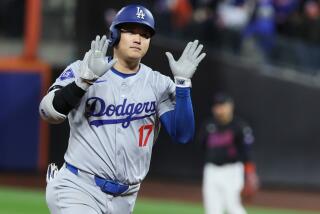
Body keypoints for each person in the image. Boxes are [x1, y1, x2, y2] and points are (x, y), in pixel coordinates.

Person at [39, 4, 206, 214]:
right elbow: (48, 112)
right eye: (131, 31)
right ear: (115, 34)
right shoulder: (84, 68)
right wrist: (83, 82)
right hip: (79, 187)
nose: (138, 38)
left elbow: (182, 134)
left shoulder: (157, 83)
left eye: (145, 34)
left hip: (125, 198)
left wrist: (182, 85)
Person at [198, 92, 259, 214]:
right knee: (212, 210)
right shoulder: (208, 126)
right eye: (216, 106)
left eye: (222, 105)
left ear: (230, 106)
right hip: (211, 170)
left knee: (233, 207)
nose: (219, 109)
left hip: (232, 171)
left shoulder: (240, 126)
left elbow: (247, 152)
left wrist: (250, 173)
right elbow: (202, 146)